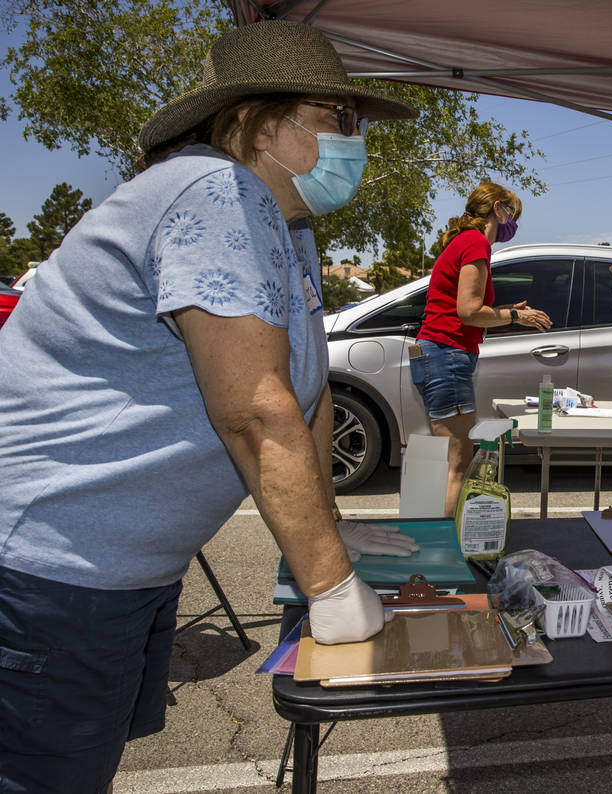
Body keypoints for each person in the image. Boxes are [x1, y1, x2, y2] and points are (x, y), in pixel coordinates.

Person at [0, 21, 422, 792]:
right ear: (260, 123)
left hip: (114, 572)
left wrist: (330, 532)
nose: (353, 140)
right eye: (336, 117)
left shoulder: (283, 221)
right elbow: (257, 410)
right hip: (46, 570)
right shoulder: (216, 192)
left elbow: (310, 392)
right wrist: (328, 587)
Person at [412, 183, 552, 516]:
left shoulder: (464, 241)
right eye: (513, 214)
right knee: (458, 466)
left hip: (436, 353)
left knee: (450, 461)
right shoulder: (476, 242)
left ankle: (439, 542)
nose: (513, 224)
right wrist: (518, 315)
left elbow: (464, 308)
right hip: (446, 355)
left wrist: (504, 310)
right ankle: (447, 550)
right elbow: (468, 310)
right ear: (498, 209)